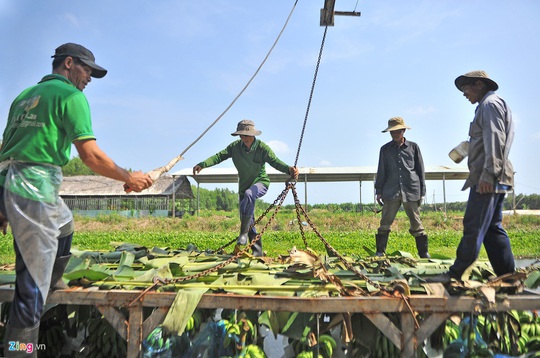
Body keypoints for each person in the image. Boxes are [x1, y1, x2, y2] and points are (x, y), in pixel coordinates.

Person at [0, 43, 153, 356]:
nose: (89, 79)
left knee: (65, 224)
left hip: (11, 185)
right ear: (68, 64)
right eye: (86, 70)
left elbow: (7, 148)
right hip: (33, 192)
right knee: (30, 291)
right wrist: (129, 178)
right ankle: (19, 350)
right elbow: (90, 155)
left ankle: (50, 281)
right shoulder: (71, 96)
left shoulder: (24, 97)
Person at [427, 70, 515, 283]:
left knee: (473, 225)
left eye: (466, 88)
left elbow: (495, 140)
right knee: (493, 228)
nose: (464, 93)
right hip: (496, 176)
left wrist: (487, 174)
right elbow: (489, 139)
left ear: (479, 85)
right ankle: (509, 277)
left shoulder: (489, 105)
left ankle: (455, 274)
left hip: (489, 177)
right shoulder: (490, 105)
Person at [193, 120, 298, 257]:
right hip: (243, 187)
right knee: (249, 219)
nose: (246, 139)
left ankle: (242, 234)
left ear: (253, 135)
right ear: (240, 136)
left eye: (248, 136)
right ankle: (258, 251)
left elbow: (275, 161)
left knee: (249, 195)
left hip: (260, 183)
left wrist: (289, 169)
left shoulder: (262, 148)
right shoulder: (235, 147)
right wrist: (203, 164)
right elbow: (219, 156)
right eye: (243, 136)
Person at [374, 117, 430, 258]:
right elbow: (381, 171)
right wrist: (379, 191)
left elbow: (420, 169)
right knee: (385, 222)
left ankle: (423, 253)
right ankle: (380, 251)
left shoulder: (413, 147)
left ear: (403, 131)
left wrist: (422, 190)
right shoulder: (385, 150)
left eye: (397, 131)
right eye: (392, 132)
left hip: (411, 189)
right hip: (391, 191)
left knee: (416, 222)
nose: (395, 134)